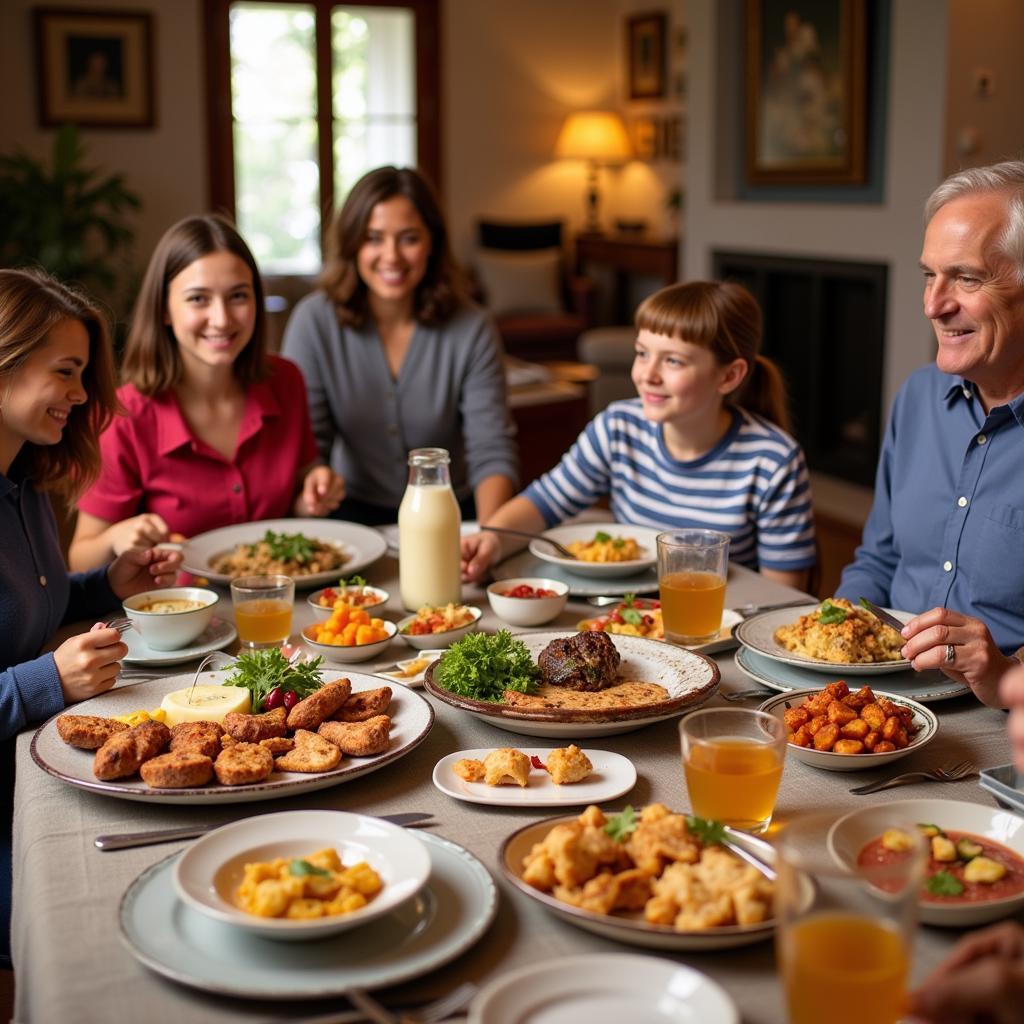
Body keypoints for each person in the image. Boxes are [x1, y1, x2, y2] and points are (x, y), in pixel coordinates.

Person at [0, 268, 180, 969]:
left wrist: (104, 584)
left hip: (37, 768)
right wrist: (46, 681)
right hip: (11, 809)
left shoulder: (24, 482)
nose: (80, 395)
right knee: (112, 924)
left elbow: (25, 604)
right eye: (66, 372)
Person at [461, 280, 817, 589]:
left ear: (729, 377)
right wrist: (492, 539)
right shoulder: (619, 427)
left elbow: (780, 600)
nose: (648, 374)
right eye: (642, 354)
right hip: (628, 616)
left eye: (673, 361)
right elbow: (544, 502)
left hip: (721, 624)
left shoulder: (773, 461)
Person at [836, 160, 1024, 708]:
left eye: (966, 278)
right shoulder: (918, 397)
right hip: (879, 698)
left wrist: (1005, 672)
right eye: (929, 275)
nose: (933, 304)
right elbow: (879, 557)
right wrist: (831, 630)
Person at [68, 214, 344, 569]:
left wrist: (313, 493)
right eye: (198, 299)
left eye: (238, 296)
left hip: (281, 607)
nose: (222, 319)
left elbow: (300, 489)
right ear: (165, 310)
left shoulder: (286, 380)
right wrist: (116, 538)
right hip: (177, 613)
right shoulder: (122, 418)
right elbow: (79, 559)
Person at [281, 165, 518, 526]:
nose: (391, 256)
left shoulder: (472, 327)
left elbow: (492, 451)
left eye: (408, 238)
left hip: (454, 515)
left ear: (432, 243)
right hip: (351, 519)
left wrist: (489, 536)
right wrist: (316, 484)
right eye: (373, 238)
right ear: (351, 243)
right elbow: (308, 448)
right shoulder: (313, 323)